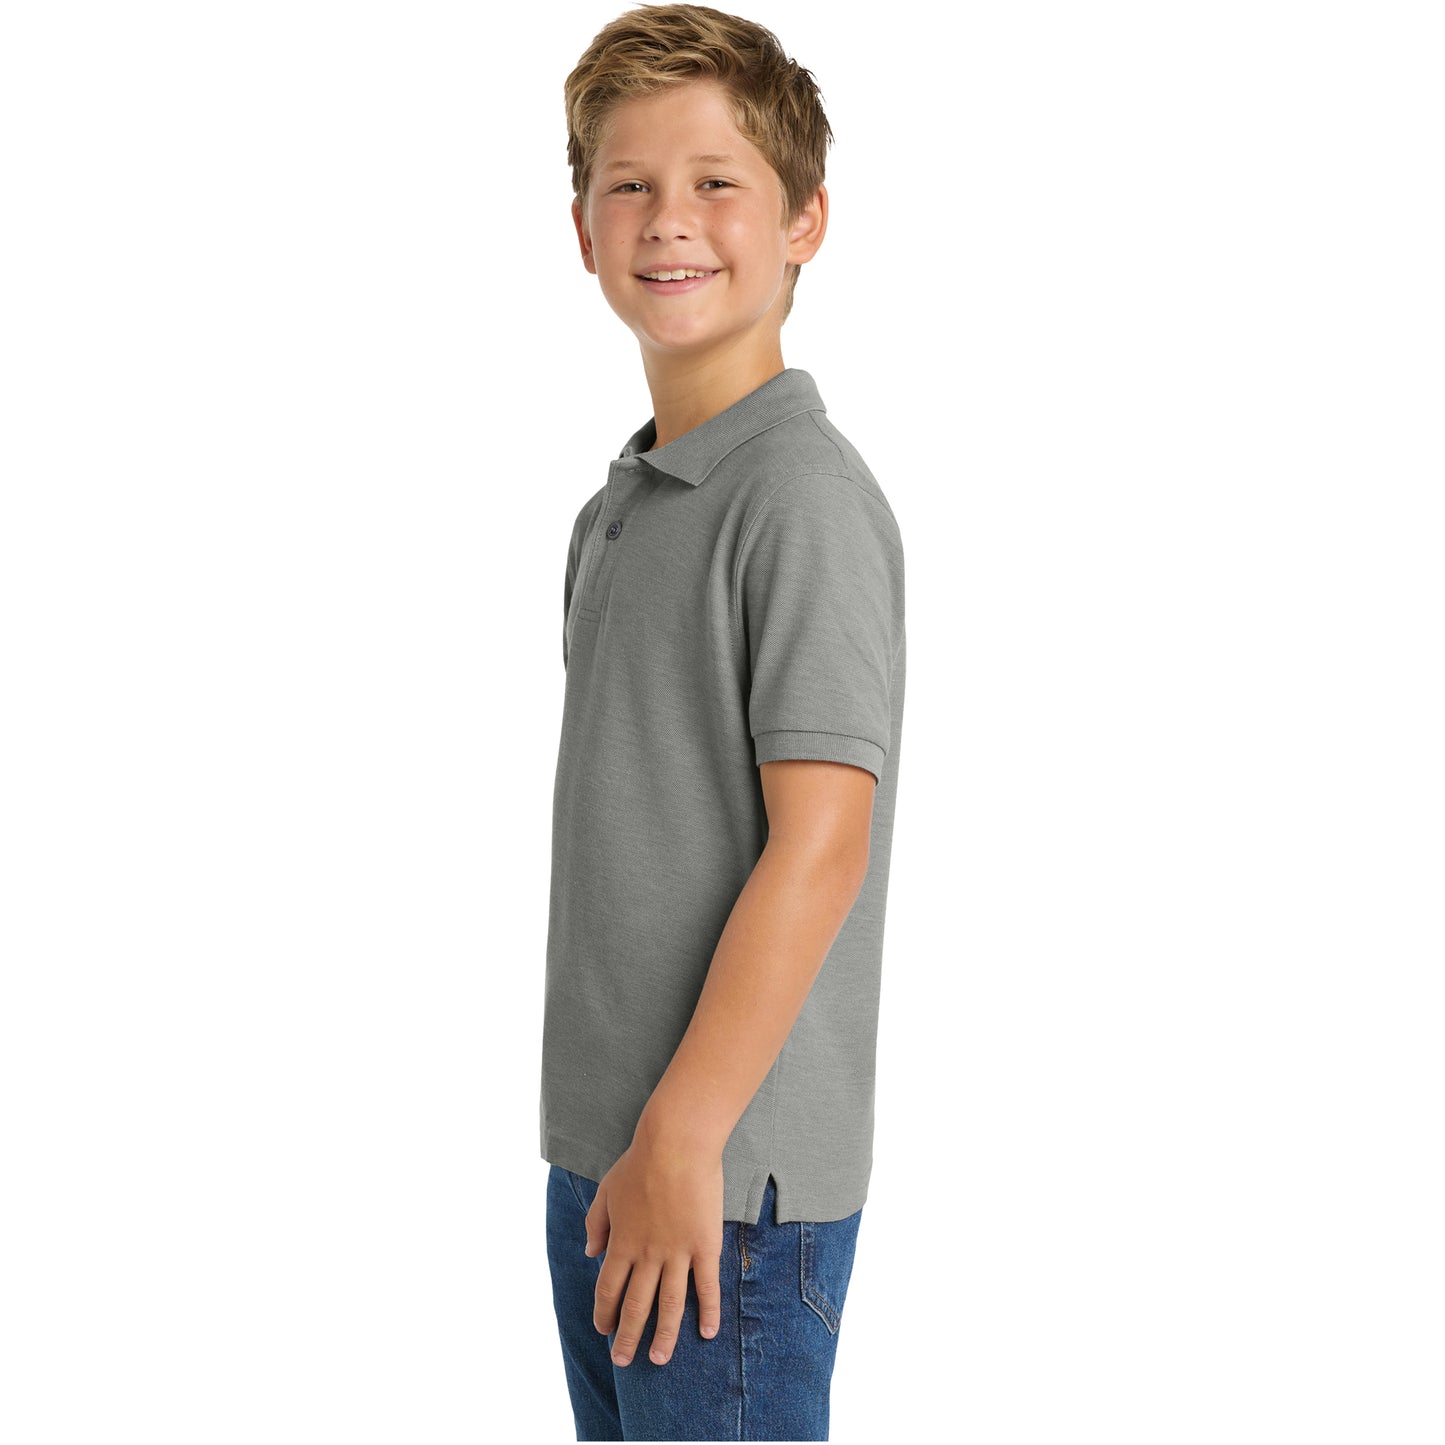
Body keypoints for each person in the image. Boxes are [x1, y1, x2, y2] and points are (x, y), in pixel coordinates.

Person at [541, 6, 907, 1439]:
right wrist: (630, 1146)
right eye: (628, 183)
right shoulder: (622, 506)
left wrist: (685, 1134)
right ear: (581, 228)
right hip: (609, 1159)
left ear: (805, 219)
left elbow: (820, 846)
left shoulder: (798, 498)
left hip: (725, 1184)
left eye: (716, 182)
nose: (668, 219)